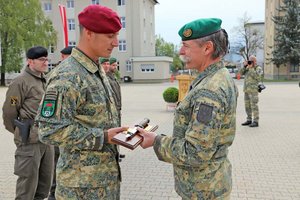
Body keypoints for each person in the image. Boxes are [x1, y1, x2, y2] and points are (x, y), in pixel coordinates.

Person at [138, 18, 238, 199]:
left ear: (207, 48)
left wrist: (155, 141)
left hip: (202, 189)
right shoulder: (218, 76)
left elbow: (195, 153)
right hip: (210, 183)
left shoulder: (209, 90)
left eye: (186, 46)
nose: (181, 51)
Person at [35, 5, 127, 200]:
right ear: (89, 34)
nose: (116, 42)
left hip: (103, 183)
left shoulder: (95, 70)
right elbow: (49, 130)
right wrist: (102, 137)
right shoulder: (68, 75)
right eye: (110, 36)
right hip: (80, 190)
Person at [2, 46, 54, 200]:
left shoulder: (44, 79)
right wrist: (20, 131)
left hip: (46, 139)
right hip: (29, 141)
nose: (46, 62)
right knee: (27, 187)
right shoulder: (20, 82)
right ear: (30, 61)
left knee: (44, 185)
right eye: (42, 59)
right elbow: (9, 112)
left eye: (46, 59)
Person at [48, 46, 73, 200]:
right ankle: (53, 192)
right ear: (63, 57)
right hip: (57, 127)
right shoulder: (58, 74)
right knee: (56, 161)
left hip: (69, 129)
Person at [239, 55, 263, 127]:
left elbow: (257, 77)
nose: (250, 62)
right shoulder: (247, 67)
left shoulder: (258, 68)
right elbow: (240, 73)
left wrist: (251, 68)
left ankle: (256, 121)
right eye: (249, 60)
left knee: (254, 106)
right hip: (246, 90)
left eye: (252, 61)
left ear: (255, 61)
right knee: (247, 106)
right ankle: (249, 119)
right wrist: (244, 66)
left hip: (253, 91)